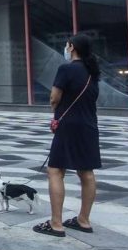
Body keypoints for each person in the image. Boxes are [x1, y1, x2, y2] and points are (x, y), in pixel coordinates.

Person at [33, 34, 101, 238]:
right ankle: (83, 220)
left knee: (55, 170)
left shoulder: (66, 69)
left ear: (71, 47)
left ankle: (56, 224)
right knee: (86, 172)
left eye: (66, 45)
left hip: (68, 126)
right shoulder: (92, 72)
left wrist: (55, 109)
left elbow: (54, 97)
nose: (65, 48)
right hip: (89, 126)